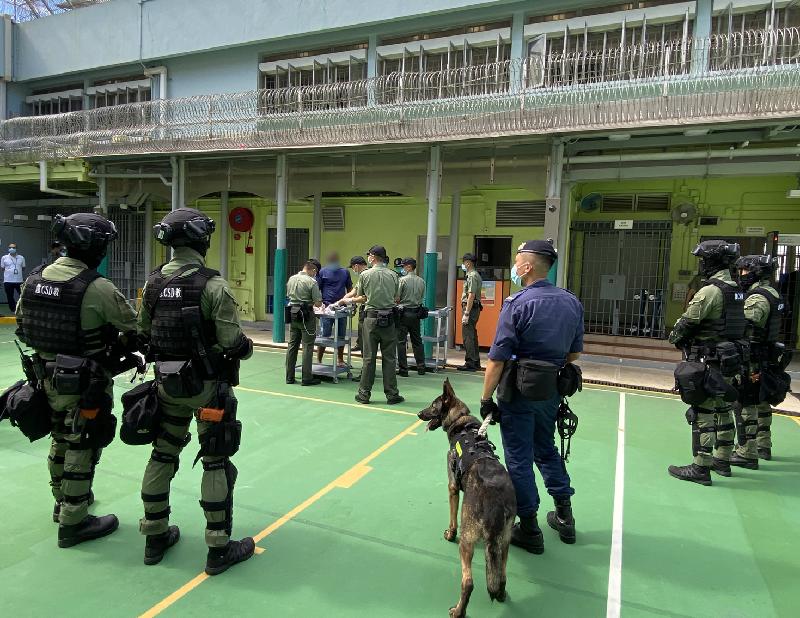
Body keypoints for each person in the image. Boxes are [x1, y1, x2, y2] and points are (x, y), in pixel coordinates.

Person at [138, 207, 255, 574]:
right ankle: (218, 547)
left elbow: (144, 331)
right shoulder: (213, 285)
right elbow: (232, 340)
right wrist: (244, 348)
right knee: (215, 458)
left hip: (166, 385)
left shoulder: (153, 283)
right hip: (206, 389)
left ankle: (154, 535)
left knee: (162, 453)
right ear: (202, 239)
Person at [15, 213, 137, 547]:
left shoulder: (34, 279)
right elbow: (133, 326)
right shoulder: (96, 287)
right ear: (94, 247)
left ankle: (64, 501)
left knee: (59, 438)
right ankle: (74, 521)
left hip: (44, 377)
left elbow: (23, 322)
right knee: (83, 442)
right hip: (84, 382)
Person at [478, 241, 584, 554]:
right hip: (551, 390)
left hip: (519, 391)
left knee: (519, 459)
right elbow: (574, 353)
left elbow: (497, 359)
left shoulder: (517, 303)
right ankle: (565, 515)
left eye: (517, 262)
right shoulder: (571, 301)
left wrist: (486, 400)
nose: (514, 267)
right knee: (546, 448)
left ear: (527, 267)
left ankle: (529, 528)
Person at [668, 240, 744, 486]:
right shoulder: (738, 289)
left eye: (703, 259)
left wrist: (675, 337)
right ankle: (722, 460)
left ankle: (701, 466)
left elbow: (689, 321)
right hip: (729, 358)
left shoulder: (711, 290)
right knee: (724, 410)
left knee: (703, 412)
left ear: (712, 260)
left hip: (709, 359)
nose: (701, 263)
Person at [731, 255, 784, 466]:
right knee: (761, 402)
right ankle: (763, 445)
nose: (741, 274)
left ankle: (746, 452)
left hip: (753, 355)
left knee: (746, 402)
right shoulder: (772, 293)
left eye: (744, 270)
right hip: (766, 353)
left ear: (755, 272)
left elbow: (747, 324)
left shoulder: (757, 297)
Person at [337, 246, 403, 405]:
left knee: (369, 358)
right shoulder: (394, 275)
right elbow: (397, 298)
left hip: (371, 320)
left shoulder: (365, 275)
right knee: (389, 358)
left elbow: (360, 295)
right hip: (389, 319)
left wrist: (347, 300)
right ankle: (392, 394)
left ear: (373, 257)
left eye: (369, 256)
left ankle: (364, 394)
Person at [286, 259, 323, 386]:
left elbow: (288, 296)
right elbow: (318, 302)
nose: (315, 275)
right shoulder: (311, 281)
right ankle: (306, 378)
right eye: (315, 272)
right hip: (306, 315)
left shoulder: (291, 279)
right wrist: (313, 303)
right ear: (312, 270)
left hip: (292, 313)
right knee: (307, 346)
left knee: (292, 345)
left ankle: (289, 376)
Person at [316, 252, 352, 366]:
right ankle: (319, 360)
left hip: (342, 308)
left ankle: (340, 360)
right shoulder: (322, 272)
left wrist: (351, 303)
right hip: (326, 308)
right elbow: (317, 289)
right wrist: (319, 306)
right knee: (324, 336)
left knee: (341, 335)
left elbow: (350, 289)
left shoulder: (345, 272)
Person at [395, 257, 426, 377]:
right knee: (417, 341)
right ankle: (421, 367)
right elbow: (422, 297)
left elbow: (397, 298)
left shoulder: (402, 280)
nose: (402, 268)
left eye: (403, 266)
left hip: (404, 313)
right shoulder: (421, 281)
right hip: (417, 313)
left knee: (401, 341)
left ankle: (403, 369)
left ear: (408, 267)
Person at [458, 252, 483, 371]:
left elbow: (471, 295)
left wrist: (466, 313)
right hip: (474, 307)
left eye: (464, 262)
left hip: (471, 308)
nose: (463, 265)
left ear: (468, 263)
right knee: (472, 335)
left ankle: (470, 362)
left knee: (468, 336)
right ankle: (475, 361)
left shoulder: (472, 276)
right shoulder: (474, 275)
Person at [2, 242, 26, 313]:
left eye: (13, 247)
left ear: (16, 249)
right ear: (8, 249)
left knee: (22, 295)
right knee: (10, 296)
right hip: (8, 281)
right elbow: (2, 268)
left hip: (19, 280)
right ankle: (13, 309)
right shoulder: (4, 257)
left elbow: (23, 268)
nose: (11, 249)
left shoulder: (21, 257)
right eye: (10, 247)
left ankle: (22, 308)